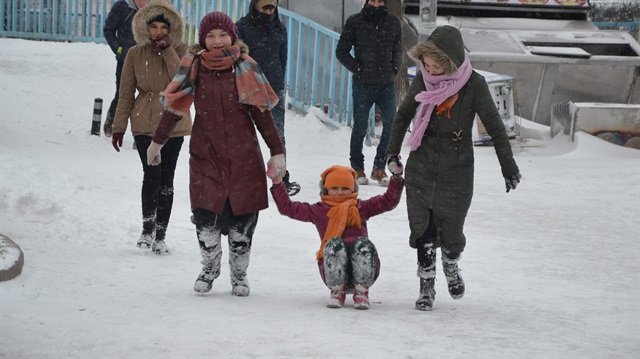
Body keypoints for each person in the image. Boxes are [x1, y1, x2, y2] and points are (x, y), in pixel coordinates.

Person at [147, 11, 286, 297]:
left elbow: (262, 114)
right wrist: (157, 142)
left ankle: (239, 274)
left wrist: (277, 151)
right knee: (205, 218)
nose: (217, 41)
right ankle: (209, 268)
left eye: (222, 34)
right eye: (210, 36)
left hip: (243, 158)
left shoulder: (246, 66)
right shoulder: (194, 65)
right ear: (202, 39)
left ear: (232, 36)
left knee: (241, 225)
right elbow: (175, 106)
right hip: (205, 155)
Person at [385, 26, 523, 311]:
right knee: (422, 230)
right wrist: (391, 153)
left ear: (451, 64)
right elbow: (402, 117)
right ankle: (426, 286)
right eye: (425, 64)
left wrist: (507, 166)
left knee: (452, 233)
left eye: (436, 66)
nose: (429, 71)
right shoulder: (423, 80)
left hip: (457, 168)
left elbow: (496, 128)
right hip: (422, 163)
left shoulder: (474, 84)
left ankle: (450, 263)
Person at [110, 0, 192, 255]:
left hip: (174, 120)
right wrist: (118, 126)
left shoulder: (182, 51)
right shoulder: (135, 53)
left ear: (171, 28)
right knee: (151, 174)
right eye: (153, 27)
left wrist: (167, 50)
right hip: (144, 121)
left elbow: (179, 81)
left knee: (167, 179)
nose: (158, 32)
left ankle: (161, 234)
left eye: (163, 27)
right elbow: (125, 94)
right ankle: (147, 229)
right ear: (144, 27)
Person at [268, 165, 404, 309]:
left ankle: (362, 292)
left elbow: (388, 201)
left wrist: (396, 178)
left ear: (353, 189)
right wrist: (277, 182)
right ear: (326, 189)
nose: (340, 192)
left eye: (345, 188)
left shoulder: (361, 207)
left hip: (363, 268)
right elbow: (287, 208)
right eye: (335, 188)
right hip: (333, 271)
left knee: (362, 244)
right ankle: (337, 291)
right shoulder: (318, 210)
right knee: (335, 244)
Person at [236, 0, 301, 196]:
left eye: (272, 7)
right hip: (249, 88)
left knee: (277, 134)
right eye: (264, 7)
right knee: (245, 136)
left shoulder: (280, 29)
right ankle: (244, 179)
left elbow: (283, 58)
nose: (268, 11)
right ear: (255, 6)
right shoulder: (241, 27)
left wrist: (278, 83)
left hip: (274, 88)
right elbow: (239, 59)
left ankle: (281, 179)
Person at [335, 0, 402, 187]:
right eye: (372, 0)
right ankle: (357, 167)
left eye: (380, 1)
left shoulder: (393, 23)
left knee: (391, 124)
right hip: (363, 85)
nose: (376, 4)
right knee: (360, 126)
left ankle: (379, 167)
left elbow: (398, 48)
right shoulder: (355, 21)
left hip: (387, 84)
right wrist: (358, 69)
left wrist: (394, 68)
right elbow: (341, 51)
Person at [103, 0, 149, 138]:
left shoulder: (154, 9)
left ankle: (142, 133)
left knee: (147, 96)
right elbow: (108, 30)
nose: (144, 2)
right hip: (125, 60)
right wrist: (119, 49)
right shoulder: (122, 7)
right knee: (123, 94)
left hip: (148, 61)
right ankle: (112, 121)